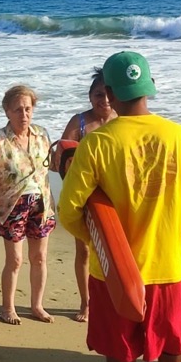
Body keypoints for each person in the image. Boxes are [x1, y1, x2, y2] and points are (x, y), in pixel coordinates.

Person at [59, 51, 181, 362]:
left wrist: (100, 248)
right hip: (168, 273)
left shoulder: (98, 144)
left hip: (113, 278)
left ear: (108, 93)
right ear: (148, 87)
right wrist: (178, 249)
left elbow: (69, 209)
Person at [0, 85, 56, 325]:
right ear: (7, 111)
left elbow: (54, 165)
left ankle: (37, 306)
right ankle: (8, 308)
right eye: (17, 110)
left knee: (39, 258)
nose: (23, 115)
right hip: (12, 205)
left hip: (42, 204)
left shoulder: (41, 134)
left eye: (28, 109)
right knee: (15, 260)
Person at [55, 68, 117, 322]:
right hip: (85, 197)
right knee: (84, 252)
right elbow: (61, 159)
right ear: (90, 96)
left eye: (107, 95)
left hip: (115, 196)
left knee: (114, 251)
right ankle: (86, 303)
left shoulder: (121, 119)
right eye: (97, 95)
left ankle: (115, 299)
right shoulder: (80, 122)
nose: (103, 100)